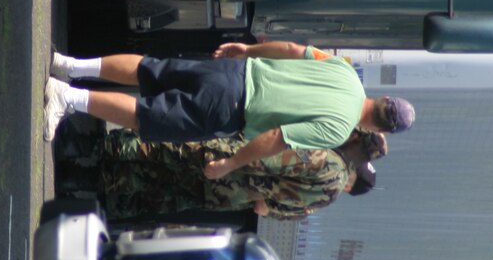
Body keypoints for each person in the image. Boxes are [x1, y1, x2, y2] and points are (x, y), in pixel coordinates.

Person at [43, 41, 414, 180]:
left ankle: (70, 64)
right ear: (378, 130)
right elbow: (276, 138)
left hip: (235, 72)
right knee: (148, 115)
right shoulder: (338, 129)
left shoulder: (345, 71)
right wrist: (229, 164)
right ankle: (67, 97)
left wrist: (248, 50)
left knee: (149, 70)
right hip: (233, 109)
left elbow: (291, 49)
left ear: (383, 99)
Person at [65, 128, 386, 222]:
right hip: (228, 196)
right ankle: (79, 181)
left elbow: (269, 160)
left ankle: (85, 147)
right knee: (154, 185)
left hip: (230, 162)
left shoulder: (326, 159)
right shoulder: (326, 199)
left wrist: (233, 160)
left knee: (159, 148)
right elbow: (265, 209)